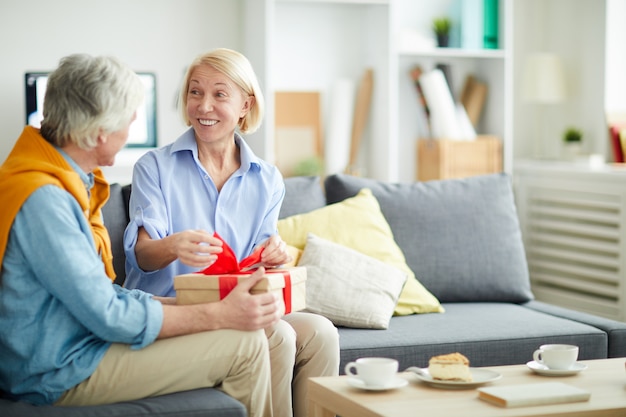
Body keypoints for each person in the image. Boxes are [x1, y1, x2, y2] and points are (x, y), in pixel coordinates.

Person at [0, 53, 278, 417]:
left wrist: (203, 307)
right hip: (58, 368)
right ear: (100, 131)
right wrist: (219, 315)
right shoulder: (46, 201)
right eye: (129, 121)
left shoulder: (52, 179)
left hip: (77, 345)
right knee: (246, 346)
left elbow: (100, 295)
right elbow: (109, 315)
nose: (131, 132)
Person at [123, 48, 340, 417]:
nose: (203, 106)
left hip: (236, 302)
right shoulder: (154, 166)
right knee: (279, 335)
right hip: (176, 309)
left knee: (321, 332)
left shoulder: (268, 179)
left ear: (245, 105)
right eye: (195, 92)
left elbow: (258, 266)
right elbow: (142, 255)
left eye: (219, 94)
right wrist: (175, 245)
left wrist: (275, 254)